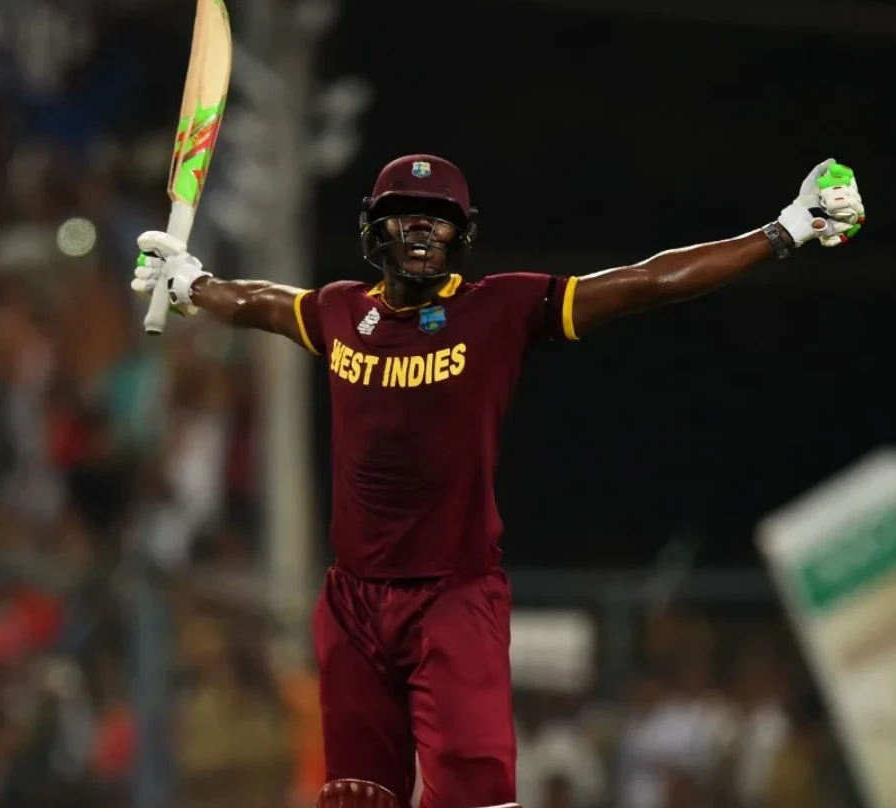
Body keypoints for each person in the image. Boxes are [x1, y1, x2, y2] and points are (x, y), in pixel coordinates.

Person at [131, 157, 865, 808]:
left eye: (438, 221)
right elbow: (259, 302)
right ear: (373, 231)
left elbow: (643, 282)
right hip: (352, 603)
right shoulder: (338, 311)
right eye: (404, 218)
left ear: (463, 234)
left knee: (475, 798)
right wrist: (194, 282)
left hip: (452, 598)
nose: (421, 232)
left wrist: (785, 230)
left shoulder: (497, 309)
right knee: (353, 798)